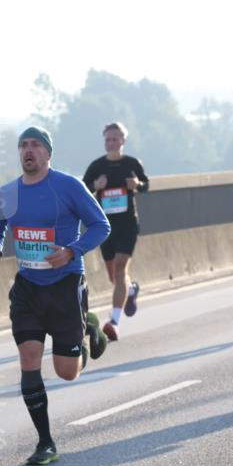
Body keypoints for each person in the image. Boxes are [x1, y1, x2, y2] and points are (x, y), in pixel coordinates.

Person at [0, 127, 110, 465]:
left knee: (68, 371)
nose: (28, 151)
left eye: (35, 145)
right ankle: (45, 443)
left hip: (65, 284)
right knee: (29, 358)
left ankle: (88, 327)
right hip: (27, 288)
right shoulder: (7, 193)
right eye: (23, 145)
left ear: (48, 153)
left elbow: (101, 225)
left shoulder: (68, 186)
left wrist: (72, 251)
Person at [82, 122, 149, 341]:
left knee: (120, 269)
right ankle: (130, 291)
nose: (111, 143)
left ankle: (114, 322)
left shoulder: (132, 163)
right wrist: (96, 186)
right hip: (104, 226)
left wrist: (136, 184)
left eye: (115, 139)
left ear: (123, 141)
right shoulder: (96, 166)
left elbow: (146, 184)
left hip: (128, 224)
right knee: (114, 276)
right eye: (108, 139)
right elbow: (83, 191)